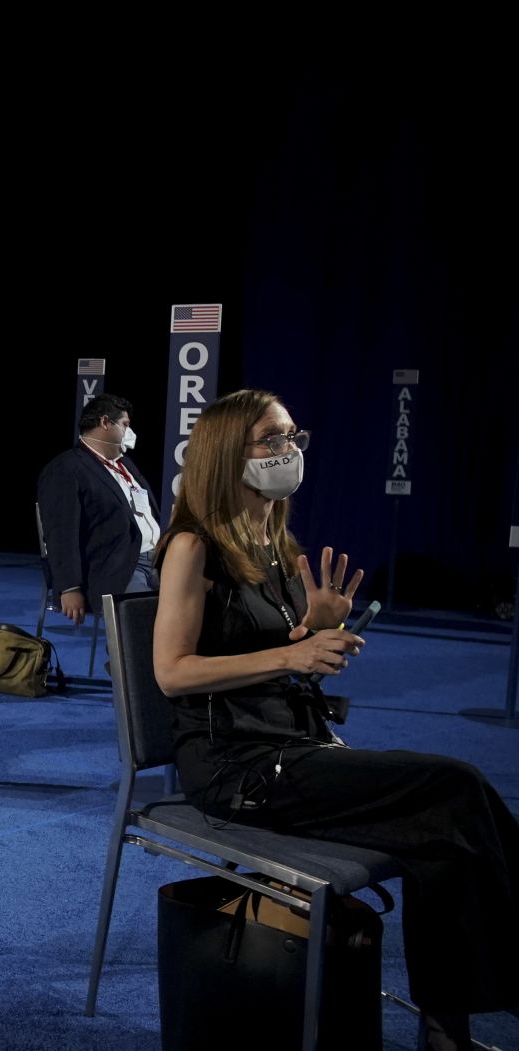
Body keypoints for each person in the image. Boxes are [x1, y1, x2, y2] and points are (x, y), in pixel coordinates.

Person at [153, 388, 518, 1050]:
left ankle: (447, 1031)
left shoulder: (272, 542)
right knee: (455, 786)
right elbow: (173, 671)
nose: (288, 450)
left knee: (444, 832)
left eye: (294, 436)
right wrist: (293, 649)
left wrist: (311, 632)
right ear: (227, 452)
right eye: (273, 438)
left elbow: (264, 658)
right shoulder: (192, 545)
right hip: (238, 766)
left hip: (292, 745)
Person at [37, 393, 161, 627]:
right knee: (144, 623)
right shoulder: (67, 468)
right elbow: (61, 533)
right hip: (116, 566)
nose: (129, 432)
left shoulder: (125, 466)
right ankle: (124, 662)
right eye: (125, 424)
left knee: (197, 604)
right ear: (105, 422)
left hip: (156, 561)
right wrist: (69, 587)